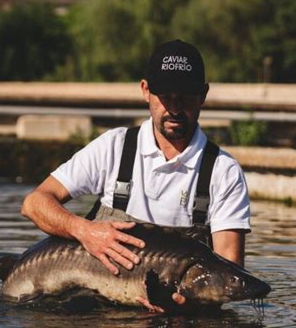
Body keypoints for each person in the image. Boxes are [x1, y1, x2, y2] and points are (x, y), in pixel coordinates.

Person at [22, 40, 251, 312]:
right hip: (96, 319)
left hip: (175, 315)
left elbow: (229, 270)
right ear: (146, 91)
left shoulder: (223, 171)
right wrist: (85, 231)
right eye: (165, 97)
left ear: (203, 95)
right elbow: (34, 203)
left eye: (186, 97)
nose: (175, 109)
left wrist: (186, 305)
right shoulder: (114, 147)